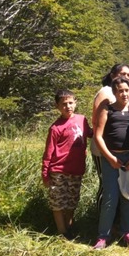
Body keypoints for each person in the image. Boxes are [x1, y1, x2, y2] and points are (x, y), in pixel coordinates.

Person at [92, 76, 129, 249]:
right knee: (110, 198)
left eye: (126, 90)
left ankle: (126, 232)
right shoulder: (107, 109)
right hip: (111, 159)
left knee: (128, 197)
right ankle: (103, 236)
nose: (124, 94)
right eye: (120, 91)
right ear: (114, 92)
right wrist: (110, 158)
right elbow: (98, 136)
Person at [41, 90, 93, 239]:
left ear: (75, 103)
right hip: (58, 171)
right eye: (64, 104)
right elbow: (48, 153)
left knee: (72, 201)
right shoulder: (55, 128)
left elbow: (90, 133)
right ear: (57, 106)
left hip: (76, 170)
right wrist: (45, 174)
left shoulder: (82, 119)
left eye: (70, 103)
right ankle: (62, 232)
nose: (68, 106)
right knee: (58, 202)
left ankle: (70, 227)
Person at [90, 64, 129, 210]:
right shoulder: (106, 92)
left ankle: (116, 221)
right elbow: (96, 121)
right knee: (106, 185)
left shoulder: (127, 94)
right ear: (112, 75)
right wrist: (108, 152)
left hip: (123, 152)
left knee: (121, 187)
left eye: (128, 75)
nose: (125, 77)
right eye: (122, 73)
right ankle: (100, 218)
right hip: (103, 149)